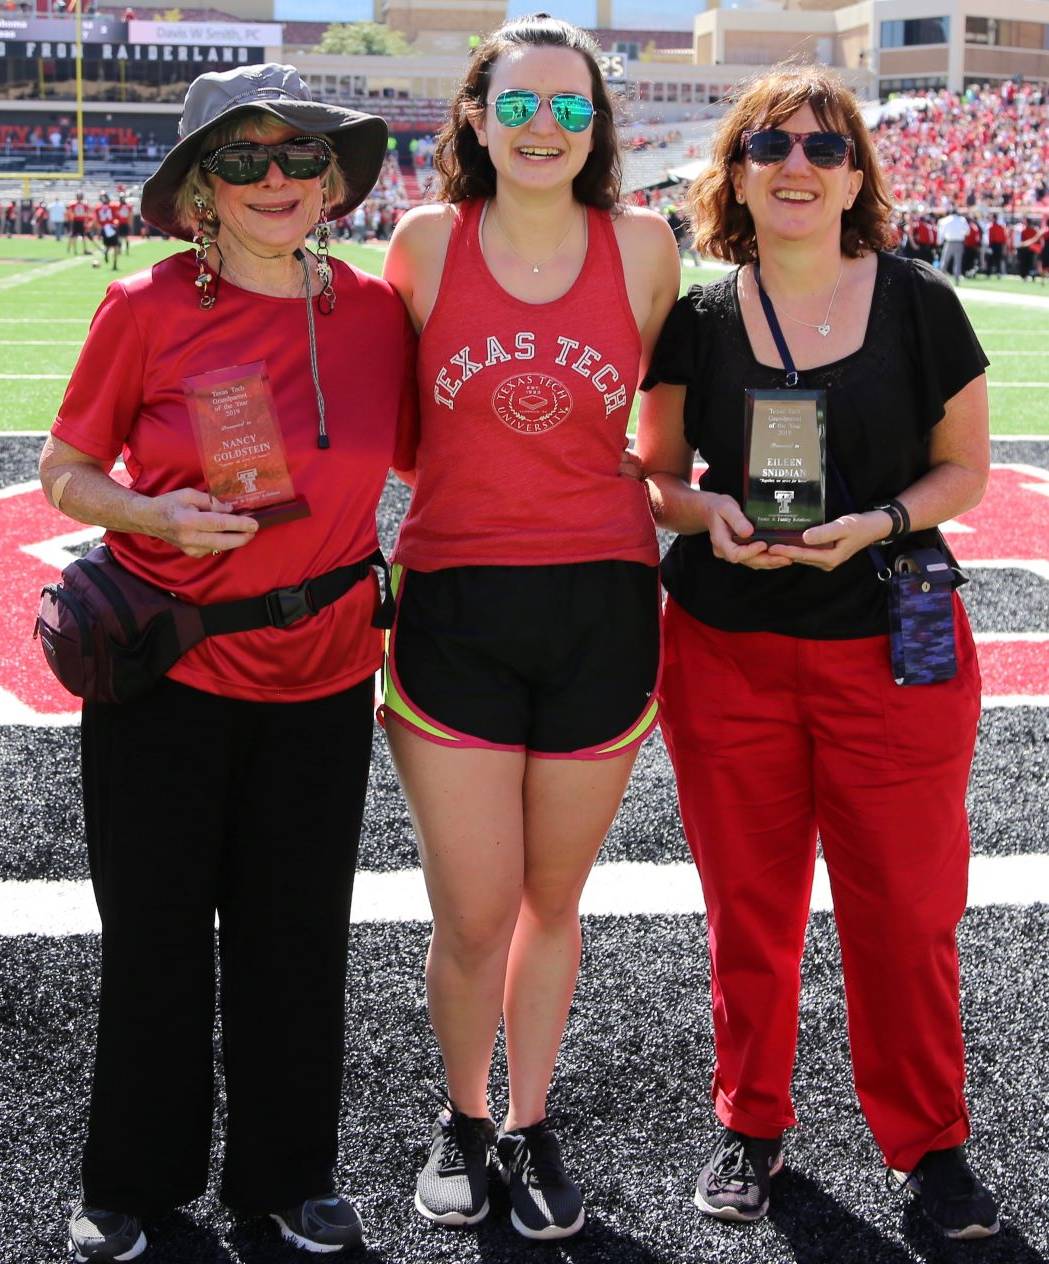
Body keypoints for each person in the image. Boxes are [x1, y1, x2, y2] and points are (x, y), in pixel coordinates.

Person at [39, 62, 412, 1262]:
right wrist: (154, 519)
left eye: (301, 157)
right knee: (152, 941)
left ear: (332, 181)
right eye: (243, 160)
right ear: (199, 186)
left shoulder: (371, 313)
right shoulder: (142, 309)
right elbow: (65, 474)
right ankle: (131, 1184)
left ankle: (288, 1178)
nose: (275, 179)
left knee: (296, 940)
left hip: (325, 678)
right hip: (170, 677)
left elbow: (439, 455)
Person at [637, 64, 999, 1242]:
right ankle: (749, 1121)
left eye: (824, 146)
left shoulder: (917, 303)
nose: (797, 164)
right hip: (726, 647)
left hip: (891, 646)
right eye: (770, 145)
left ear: (857, 175)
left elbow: (963, 473)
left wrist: (882, 520)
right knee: (750, 907)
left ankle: (929, 1145)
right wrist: (711, 517)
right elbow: (653, 474)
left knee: (904, 907)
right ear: (734, 171)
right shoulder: (693, 316)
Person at [381, 12, 679, 1242]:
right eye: (519, 103)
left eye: (570, 106)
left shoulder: (647, 246)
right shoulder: (424, 243)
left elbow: (661, 441)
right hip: (454, 603)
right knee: (473, 908)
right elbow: (402, 433)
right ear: (473, 115)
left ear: (597, 125)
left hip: (604, 604)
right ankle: (460, 1117)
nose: (544, 126)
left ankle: (527, 1118)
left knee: (554, 899)